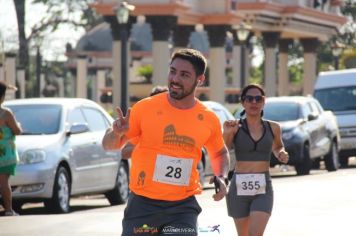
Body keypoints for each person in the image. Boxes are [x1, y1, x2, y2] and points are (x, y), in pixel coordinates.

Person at [102, 48, 230, 236]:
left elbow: (220, 152)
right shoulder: (145, 108)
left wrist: (221, 176)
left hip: (182, 208)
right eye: (172, 71)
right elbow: (109, 145)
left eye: (184, 74)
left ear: (200, 80)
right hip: (143, 206)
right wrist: (115, 133)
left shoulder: (207, 118)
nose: (175, 79)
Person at [223, 84, 289, 236]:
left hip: (263, 187)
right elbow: (223, 150)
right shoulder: (235, 127)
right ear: (243, 102)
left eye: (258, 99)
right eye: (249, 99)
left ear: (263, 101)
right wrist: (227, 133)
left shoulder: (273, 127)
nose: (254, 102)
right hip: (239, 186)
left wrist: (281, 153)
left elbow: (278, 146)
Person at [0, 81, 22, 216]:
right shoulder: (6, 113)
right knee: (3, 182)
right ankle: (8, 210)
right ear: (2, 96)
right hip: (5, 154)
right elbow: (17, 130)